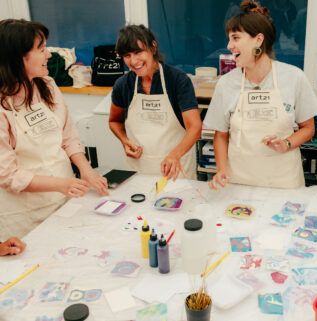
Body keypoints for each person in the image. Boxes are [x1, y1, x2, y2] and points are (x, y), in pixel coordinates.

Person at [0, 19, 108, 238]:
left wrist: (86, 171)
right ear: (18, 58)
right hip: (25, 215)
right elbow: (8, 175)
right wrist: (61, 184)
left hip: (64, 199)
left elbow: (68, 137)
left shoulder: (47, 85)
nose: (48, 54)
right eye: (41, 49)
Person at [204, 0, 317, 189]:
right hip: (239, 180)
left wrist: (286, 143)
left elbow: (308, 128)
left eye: (235, 38)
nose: (229, 45)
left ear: (258, 40)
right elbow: (221, 135)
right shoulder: (226, 84)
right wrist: (222, 169)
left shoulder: (294, 77)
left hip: (283, 180)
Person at [109, 25, 201, 180]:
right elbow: (114, 121)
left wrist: (174, 155)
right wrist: (125, 141)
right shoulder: (123, 85)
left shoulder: (177, 80)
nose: (133, 61)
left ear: (153, 47)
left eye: (138, 52)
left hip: (176, 170)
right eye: (127, 55)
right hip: (140, 170)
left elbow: (195, 127)